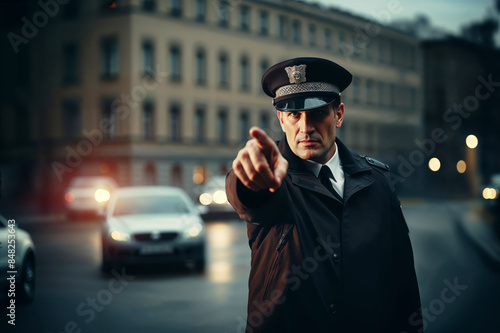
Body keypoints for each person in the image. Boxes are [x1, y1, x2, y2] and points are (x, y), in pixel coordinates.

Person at [225, 57, 423, 333]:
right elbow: (249, 198)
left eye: (318, 112)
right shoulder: (274, 180)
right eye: (294, 114)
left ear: (339, 114)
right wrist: (250, 182)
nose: (305, 127)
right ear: (281, 119)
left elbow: (403, 285)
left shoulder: (377, 181)